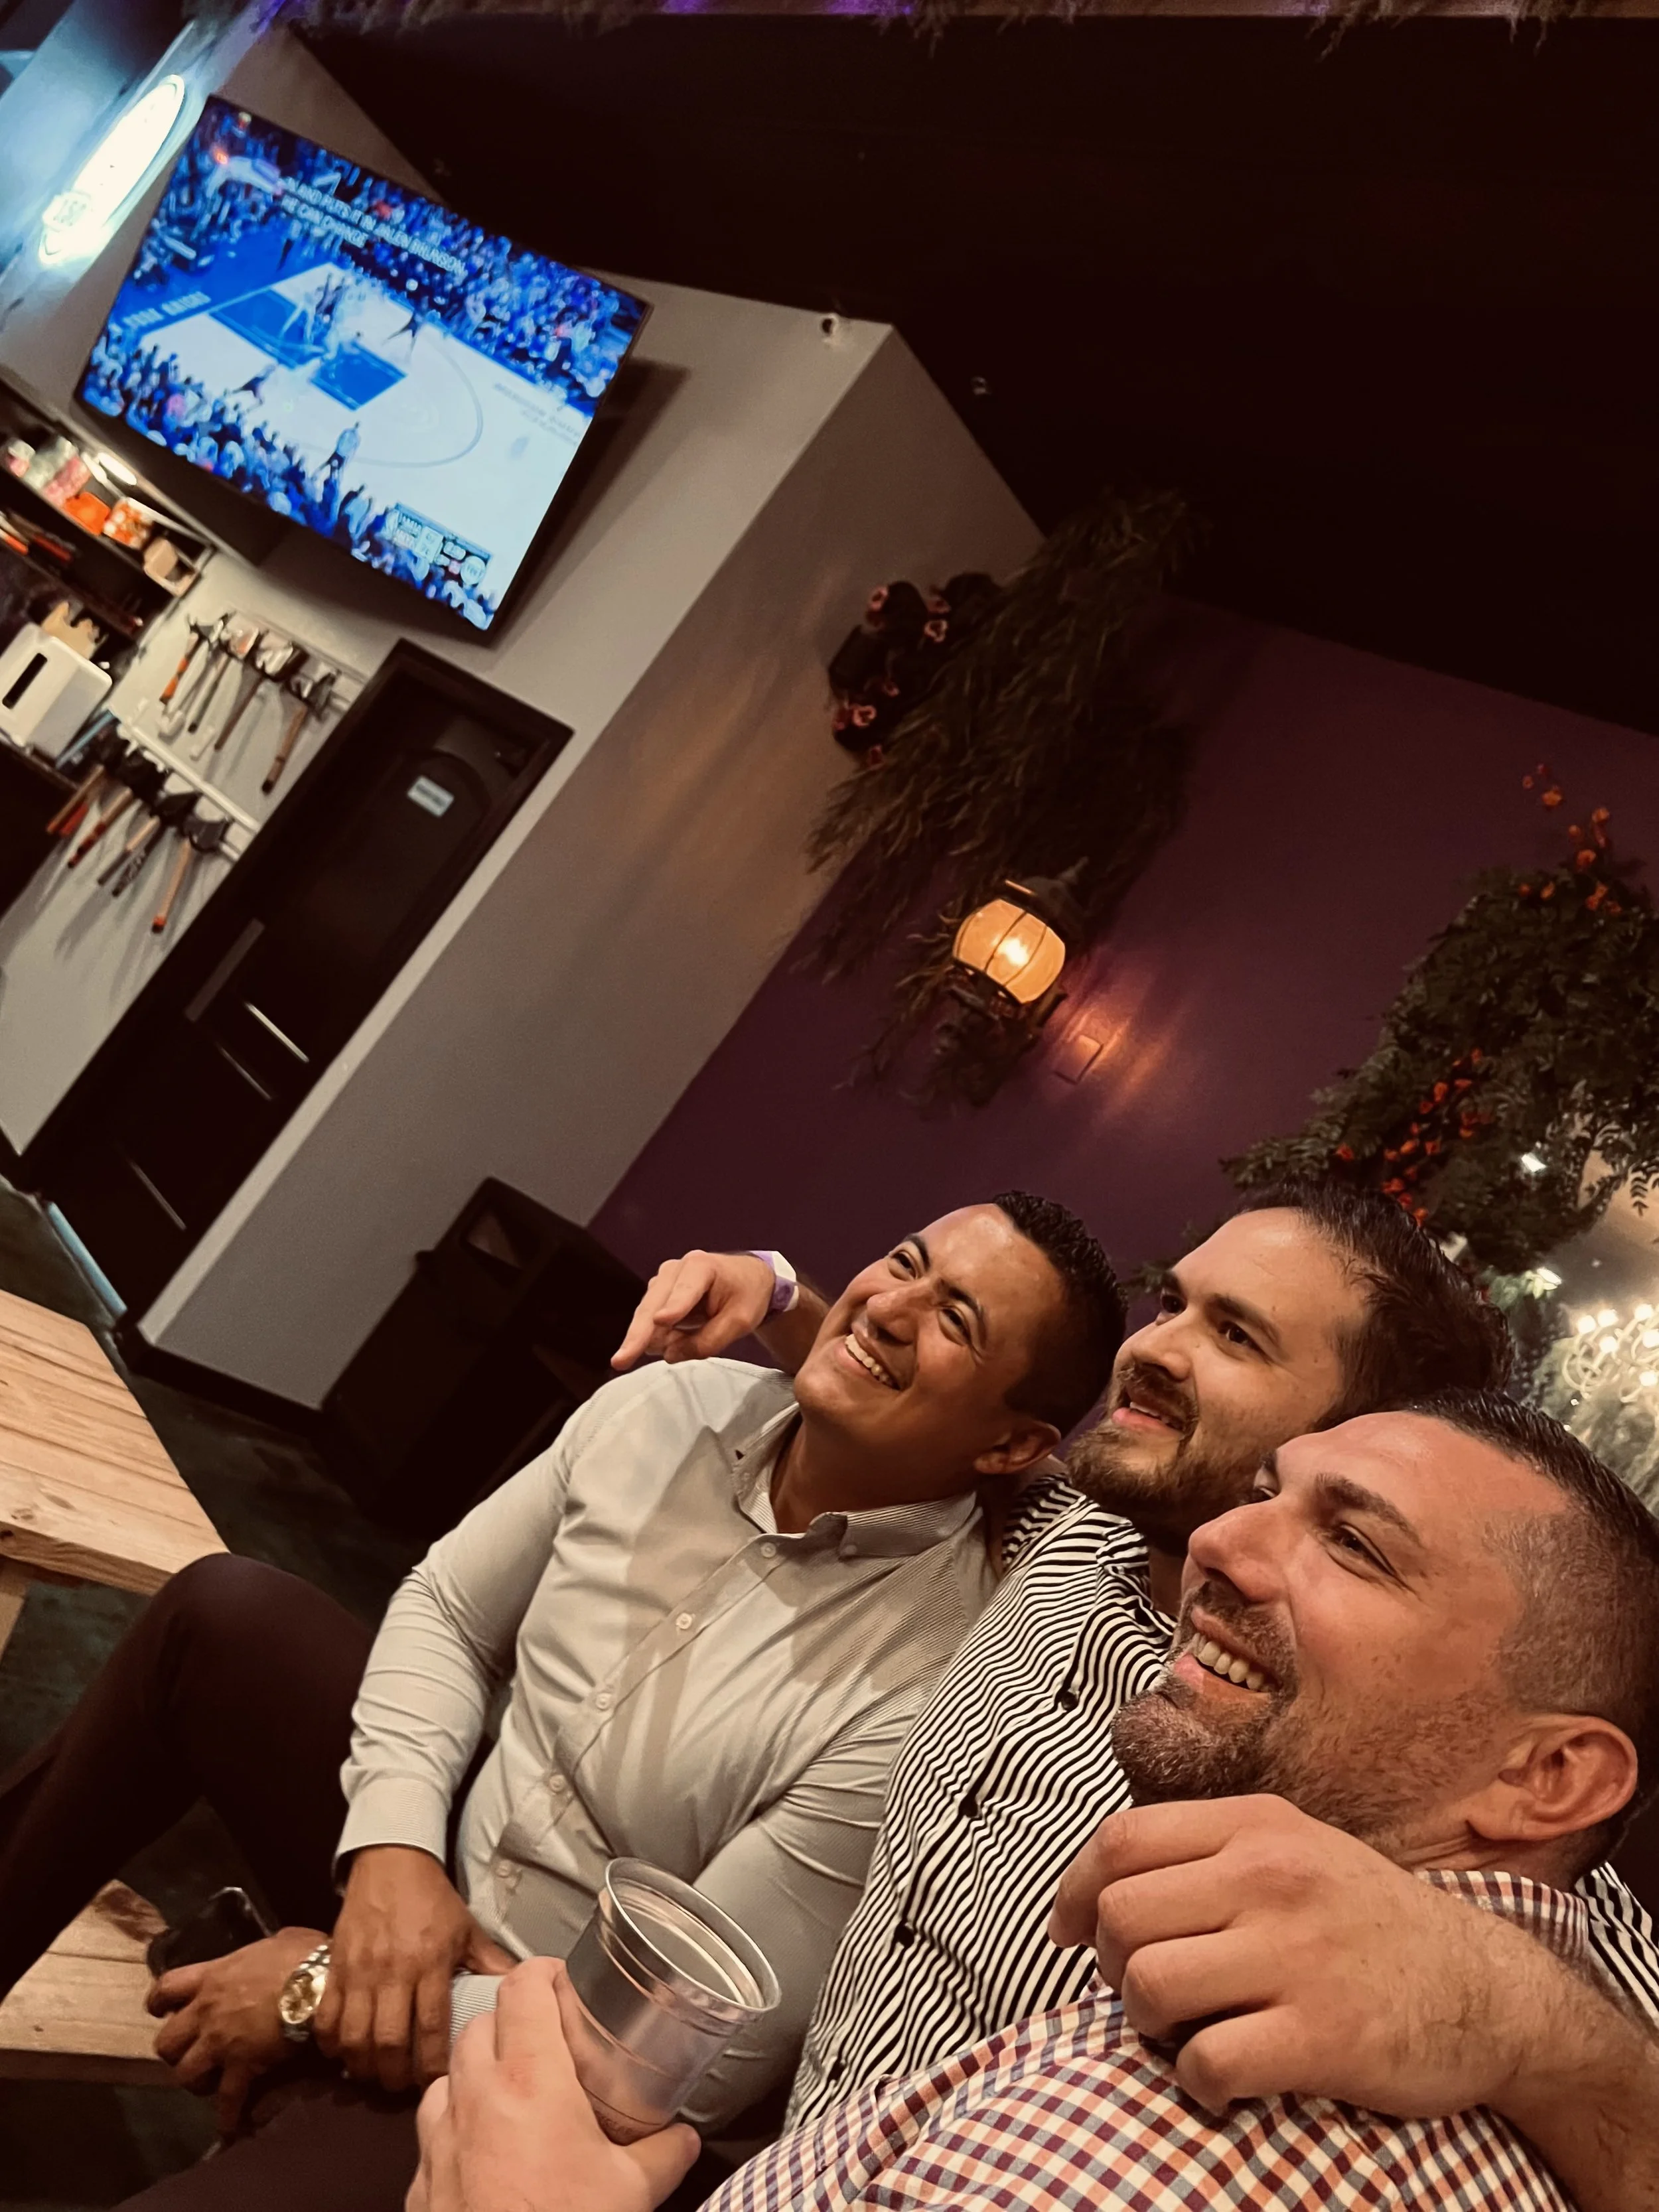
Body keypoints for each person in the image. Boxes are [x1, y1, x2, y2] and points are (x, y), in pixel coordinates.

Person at [0, 1194, 1121, 2209]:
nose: (890, 1307)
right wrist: (394, 1848)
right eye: (904, 1260)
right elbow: (444, 1607)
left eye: (957, 1319)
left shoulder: (931, 1679)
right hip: (440, 1855)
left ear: (1014, 1443)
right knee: (223, 1611)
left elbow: (669, 2050)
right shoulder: (675, 1406)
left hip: (539, 2048)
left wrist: (318, 1981)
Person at [610, 1184, 1659, 2200]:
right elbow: (925, 1400)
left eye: (1237, 1336)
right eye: (1175, 1302)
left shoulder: (1401, 1766)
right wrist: (780, 1291)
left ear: (1367, 1436)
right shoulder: (1076, 1520)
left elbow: (1552, 1910)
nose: (1152, 1347)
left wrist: (1516, 2012)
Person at [405, 1393, 1659, 2212]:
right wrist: (780, 1293)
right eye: (1268, 1490)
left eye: (1359, 1543)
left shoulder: (1203, 2133)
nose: (1230, 1539)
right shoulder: (1087, 1538)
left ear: (1550, 1776)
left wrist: (1511, 2012)